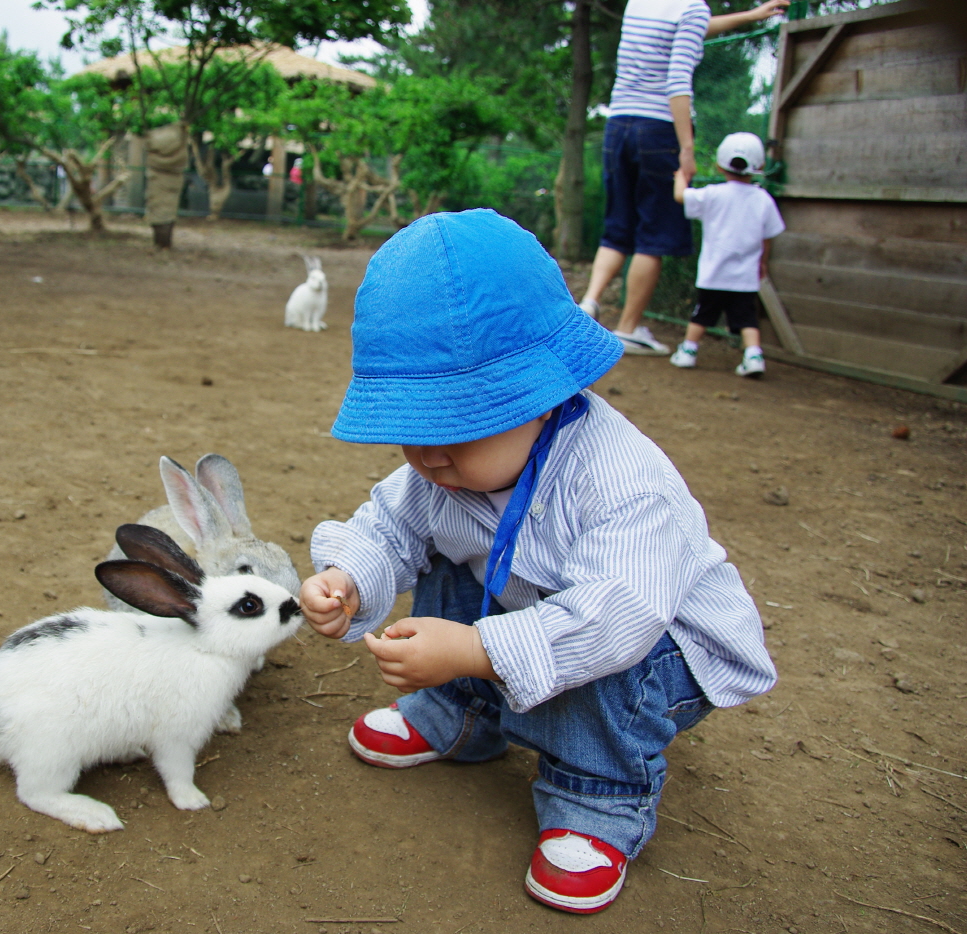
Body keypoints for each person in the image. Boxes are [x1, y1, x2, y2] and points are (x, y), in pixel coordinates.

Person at [299, 210, 776, 915]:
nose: (429, 455)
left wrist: (470, 645)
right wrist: (349, 578)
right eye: (411, 430)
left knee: (606, 648)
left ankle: (597, 797)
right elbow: (390, 525)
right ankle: (458, 714)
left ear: (541, 394)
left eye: (457, 424)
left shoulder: (623, 483)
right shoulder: (445, 474)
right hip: (531, 610)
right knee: (444, 544)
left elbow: (616, 618)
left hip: (659, 648)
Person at [574, 0, 790, 356]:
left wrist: (750, 17)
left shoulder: (642, 4)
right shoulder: (691, 9)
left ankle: (590, 303)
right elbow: (677, 80)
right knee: (653, 235)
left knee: (617, 228)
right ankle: (628, 328)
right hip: (658, 128)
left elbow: (691, 30)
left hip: (619, 125)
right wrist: (686, 147)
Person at [669, 132, 786, 377]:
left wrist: (681, 177)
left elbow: (681, 196)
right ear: (760, 166)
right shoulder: (763, 199)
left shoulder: (713, 194)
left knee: (702, 315)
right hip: (744, 277)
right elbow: (769, 236)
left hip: (713, 273)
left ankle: (688, 352)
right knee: (747, 319)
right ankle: (753, 356)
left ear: (720, 165)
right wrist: (763, 263)